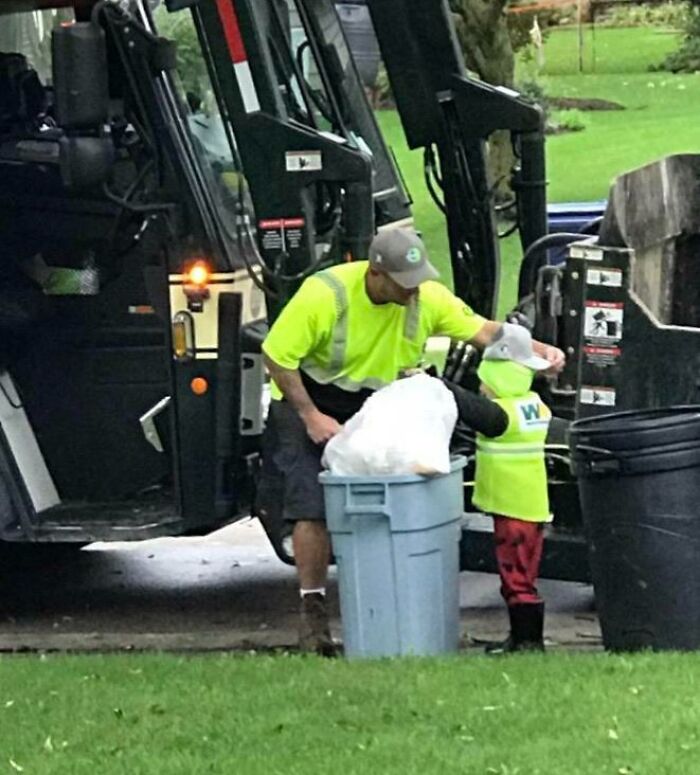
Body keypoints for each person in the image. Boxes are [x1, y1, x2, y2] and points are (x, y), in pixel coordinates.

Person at [259, 227, 564, 655]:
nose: (414, 290)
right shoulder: (325, 294)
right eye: (405, 281)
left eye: (419, 278)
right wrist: (311, 417)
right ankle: (313, 615)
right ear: (375, 274)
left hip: (375, 398)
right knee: (312, 503)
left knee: (400, 486)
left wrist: (538, 351)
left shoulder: (427, 298)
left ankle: (391, 603)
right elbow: (277, 356)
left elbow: (485, 332)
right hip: (309, 397)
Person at [471, 324, 553, 653]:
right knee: (525, 573)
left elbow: (466, 407)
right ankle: (523, 638)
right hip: (531, 506)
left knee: (515, 576)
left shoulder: (500, 415)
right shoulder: (534, 406)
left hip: (512, 508)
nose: (480, 387)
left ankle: (527, 641)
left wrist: (432, 383)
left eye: (484, 380)